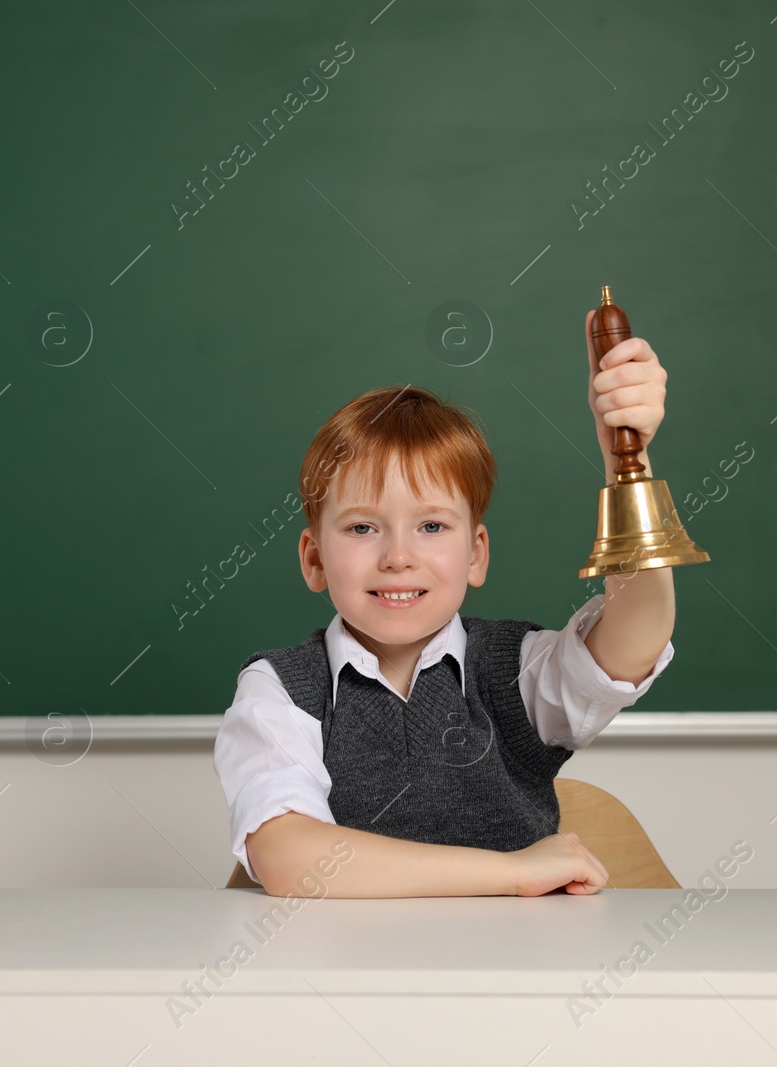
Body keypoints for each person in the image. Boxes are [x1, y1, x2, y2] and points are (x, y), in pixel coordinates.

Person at [214, 311, 677, 898]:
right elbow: (289, 858)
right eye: (362, 529)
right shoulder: (279, 690)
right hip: (340, 980)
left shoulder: (517, 673)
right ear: (313, 559)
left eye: (432, 526)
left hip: (512, 977)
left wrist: (625, 462)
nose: (398, 557)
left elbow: (639, 633)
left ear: (476, 554)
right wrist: (512, 873)